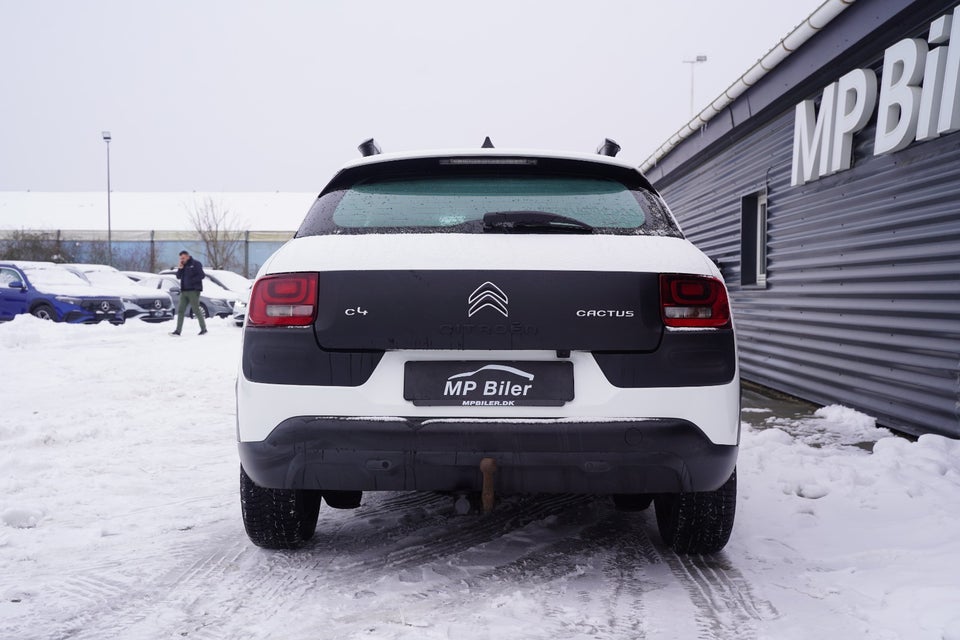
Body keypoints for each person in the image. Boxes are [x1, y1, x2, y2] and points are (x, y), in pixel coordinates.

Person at [170, 250, 207, 336]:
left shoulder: (196, 263)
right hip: (184, 291)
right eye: (180, 258)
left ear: (187, 256)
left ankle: (203, 328)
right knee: (180, 311)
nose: (181, 260)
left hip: (193, 291)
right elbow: (178, 276)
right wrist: (180, 268)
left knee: (196, 310)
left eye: (183, 258)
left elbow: (202, 275)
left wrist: (191, 281)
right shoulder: (183, 265)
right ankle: (178, 331)